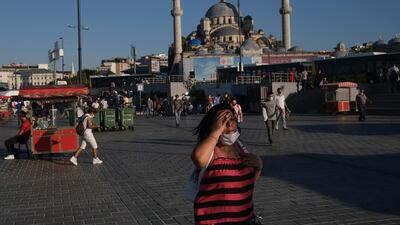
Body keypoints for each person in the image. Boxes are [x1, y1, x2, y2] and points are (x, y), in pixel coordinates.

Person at [191, 104, 263, 225]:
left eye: (232, 120)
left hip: (247, 219)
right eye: (223, 121)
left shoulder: (241, 147)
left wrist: (259, 165)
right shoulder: (210, 150)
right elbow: (198, 158)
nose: (229, 124)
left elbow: (243, 183)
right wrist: (217, 131)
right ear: (212, 126)